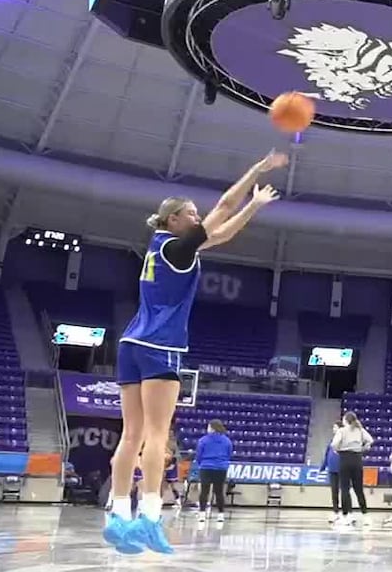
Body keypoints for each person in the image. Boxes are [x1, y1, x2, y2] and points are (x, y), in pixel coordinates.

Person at [103, 151, 284, 555]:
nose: (197, 217)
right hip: (159, 344)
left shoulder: (162, 245)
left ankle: (116, 516)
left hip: (131, 342)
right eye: (190, 212)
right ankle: (149, 518)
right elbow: (222, 211)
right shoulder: (179, 249)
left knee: (129, 435)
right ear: (173, 219)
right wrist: (255, 178)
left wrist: (252, 204)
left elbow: (221, 232)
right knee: (155, 436)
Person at [332, 411, 374, 526]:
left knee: (345, 488)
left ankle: (346, 516)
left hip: (345, 459)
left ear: (345, 420)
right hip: (357, 459)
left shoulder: (342, 431)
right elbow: (370, 440)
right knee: (358, 489)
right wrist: (362, 448)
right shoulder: (360, 430)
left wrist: (339, 449)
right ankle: (365, 515)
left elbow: (334, 444)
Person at [193, 419, 233, 523]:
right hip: (221, 468)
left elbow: (199, 455)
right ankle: (220, 515)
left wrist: (201, 463)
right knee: (219, 492)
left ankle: (202, 514)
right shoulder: (227, 440)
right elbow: (229, 454)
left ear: (212, 428)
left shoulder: (203, 440)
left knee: (204, 491)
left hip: (206, 467)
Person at [318, 422, 343, 523]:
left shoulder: (344, 441)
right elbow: (327, 455)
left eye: (335, 427)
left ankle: (346, 512)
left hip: (342, 469)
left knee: (344, 492)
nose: (333, 429)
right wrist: (323, 467)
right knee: (334, 491)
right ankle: (335, 511)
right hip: (332, 470)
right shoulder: (331, 441)